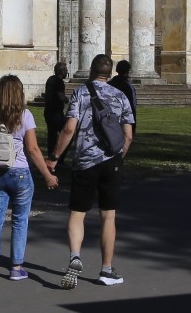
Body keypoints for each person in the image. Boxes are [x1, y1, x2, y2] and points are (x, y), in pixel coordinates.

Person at [49, 53, 133, 288]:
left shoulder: (81, 93)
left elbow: (68, 129)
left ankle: (75, 256)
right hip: (111, 162)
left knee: (78, 213)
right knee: (108, 216)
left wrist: (54, 158)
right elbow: (128, 135)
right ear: (110, 73)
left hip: (84, 161)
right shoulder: (120, 95)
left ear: (91, 71)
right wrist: (118, 157)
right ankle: (106, 270)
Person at [0, 74, 58, 285]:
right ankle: (16, 267)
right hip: (20, 172)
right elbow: (32, 149)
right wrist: (47, 175)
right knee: (20, 221)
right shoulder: (25, 116)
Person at [43, 61, 69, 160]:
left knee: (52, 136)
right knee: (66, 133)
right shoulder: (59, 82)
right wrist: (66, 99)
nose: (66, 72)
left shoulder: (50, 79)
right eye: (66, 70)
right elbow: (60, 96)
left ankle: (51, 155)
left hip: (48, 111)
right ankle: (60, 157)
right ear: (62, 71)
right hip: (56, 113)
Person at [110, 59, 138, 137]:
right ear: (128, 71)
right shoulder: (129, 87)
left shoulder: (108, 85)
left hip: (109, 122)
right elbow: (132, 106)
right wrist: (133, 127)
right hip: (124, 121)